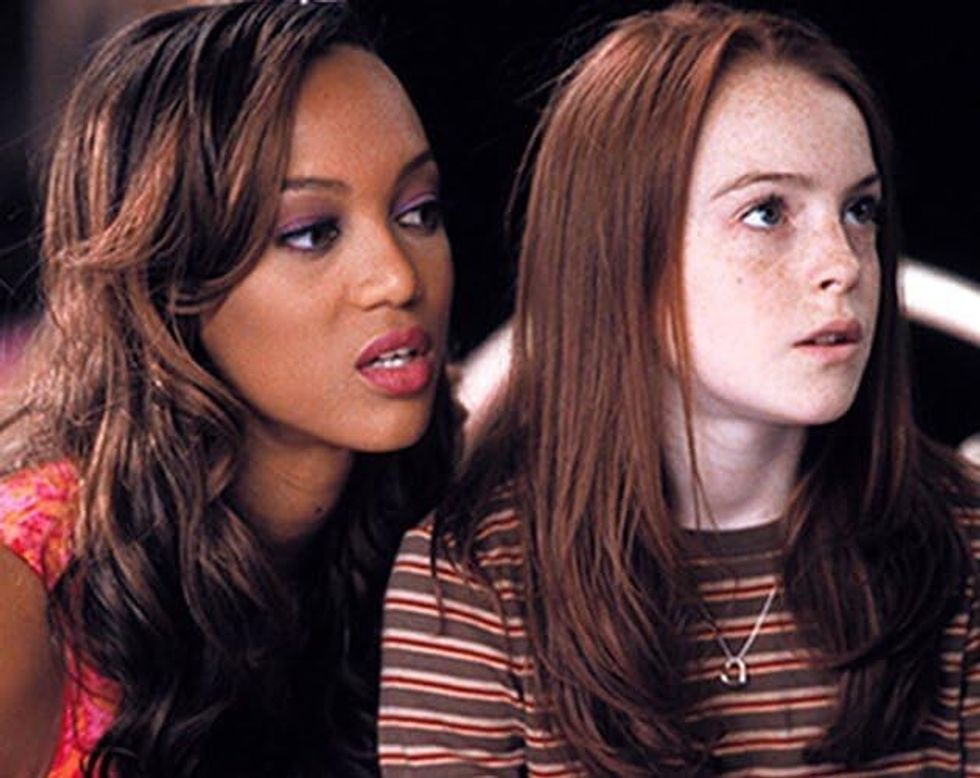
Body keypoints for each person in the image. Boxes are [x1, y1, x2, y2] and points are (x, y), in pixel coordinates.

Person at [378, 3, 980, 775]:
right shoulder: (472, 579)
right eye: (767, 212)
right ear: (619, 251)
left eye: (859, 210)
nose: (844, 262)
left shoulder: (961, 538)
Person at [0, 1, 456, 776]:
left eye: (418, 212)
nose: (397, 277)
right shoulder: (28, 600)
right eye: (312, 233)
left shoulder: (448, 521)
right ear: (169, 279)